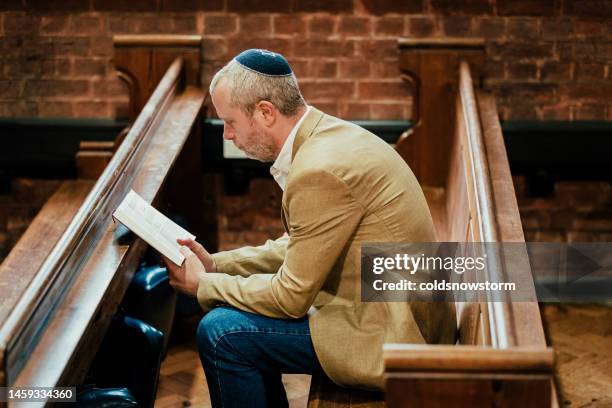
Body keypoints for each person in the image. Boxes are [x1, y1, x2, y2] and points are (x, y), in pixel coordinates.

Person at [163, 49, 456, 408]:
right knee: (232, 320)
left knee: (222, 332)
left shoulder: (320, 169)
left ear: (265, 112)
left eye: (231, 122)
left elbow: (290, 298)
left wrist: (203, 285)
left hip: (397, 334)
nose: (227, 135)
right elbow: (299, 246)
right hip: (398, 310)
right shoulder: (327, 136)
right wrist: (218, 265)